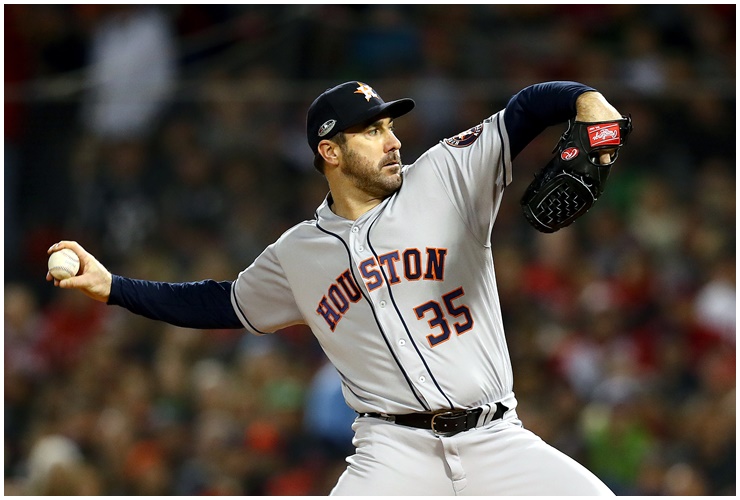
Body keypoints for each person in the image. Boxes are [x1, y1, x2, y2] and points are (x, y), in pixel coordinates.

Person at [48, 80, 624, 495]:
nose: (393, 140)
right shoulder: (298, 253)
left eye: (390, 125)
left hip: (496, 436)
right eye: (373, 131)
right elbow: (216, 302)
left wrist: (585, 99)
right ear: (330, 151)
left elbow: (524, 110)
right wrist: (113, 286)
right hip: (394, 453)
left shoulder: (445, 176)